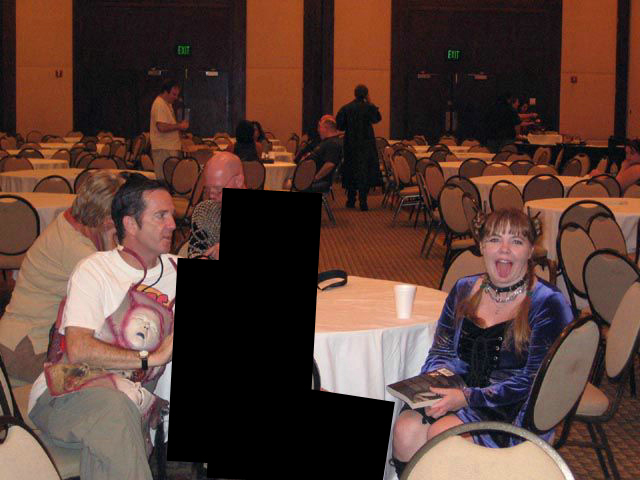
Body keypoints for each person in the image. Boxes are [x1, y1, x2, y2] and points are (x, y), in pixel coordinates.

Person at [389, 208, 573, 478]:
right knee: (405, 429)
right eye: (495, 239)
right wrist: (435, 388)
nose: (504, 249)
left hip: (512, 405)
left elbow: (535, 381)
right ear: (482, 246)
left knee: (443, 436)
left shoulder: (548, 302)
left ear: (530, 250)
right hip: (459, 389)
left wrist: (467, 398)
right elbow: (441, 350)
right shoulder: (464, 288)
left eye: (516, 241)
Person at [28, 174, 177, 480]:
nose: (173, 224)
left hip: (126, 405)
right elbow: (79, 348)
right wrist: (152, 357)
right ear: (130, 224)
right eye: (160, 216)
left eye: (172, 215)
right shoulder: (95, 270)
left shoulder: (177, 269)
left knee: (114, 430)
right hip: (64, 394)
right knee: (116, 412)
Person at [0, 171, 125, 383]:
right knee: (104, 382)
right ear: (107, 220)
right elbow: (118, 295)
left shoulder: (69, 221)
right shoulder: (77, 250)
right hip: (30, 347)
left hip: (23, 336)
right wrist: (109, 238)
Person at [187, 152, 246, 259]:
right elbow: (195, 251)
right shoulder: (204, 211)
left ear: (239, 181)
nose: (211, 196)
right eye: (208, 189)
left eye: (218, 189)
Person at [336, 84, 382, 211]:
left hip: (351, 144)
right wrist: (370, 102)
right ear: (366, 94)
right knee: (364, 171)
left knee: (351, 170)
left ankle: (351, 200)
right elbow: (377, 119)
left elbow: (340, 126)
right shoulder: (369, 107)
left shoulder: (346, 108)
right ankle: (363, 201)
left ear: (355, 94)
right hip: (366, 144)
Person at [284, 115, 342, 192]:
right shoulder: (327, 141)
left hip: (314, 180)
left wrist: (315, 178)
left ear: (326, 128)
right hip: (306, 176)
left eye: (320, 127)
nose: (318, 130)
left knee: (282, 184)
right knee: (282, 180)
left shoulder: (333, 144)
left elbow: (330, 165)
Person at [150, 79, 189, 181]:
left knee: (170, 180)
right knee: (165, 180)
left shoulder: (167, 104)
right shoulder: (159, 104)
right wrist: (179, 126)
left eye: (177, 95)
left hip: (168, 148)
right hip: (164, 149)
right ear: (165, 92)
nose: (176, 97)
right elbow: (161, 127)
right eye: (173, 94)